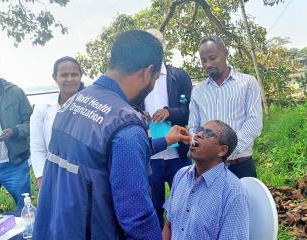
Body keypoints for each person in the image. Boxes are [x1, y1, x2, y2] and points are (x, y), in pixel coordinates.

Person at [33, 30, 190, 240]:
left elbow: (104, 157)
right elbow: (137, 219)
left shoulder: (75, 102)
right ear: (147, 73)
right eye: (154, 79)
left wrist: (166, 140)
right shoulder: (126, 125)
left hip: (55, 228)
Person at [136, 28, 193, 227]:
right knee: (153, 207)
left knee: (184, 204)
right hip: (150, 154)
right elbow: (125, 110)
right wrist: (139, 116)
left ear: (163, 47)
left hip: (178, 154)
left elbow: (191, 110)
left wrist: (170, 112)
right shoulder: (137, 79)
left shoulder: (178, 76)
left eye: (157, 45)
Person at [188, 36, 263, 178]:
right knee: (210, 201)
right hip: (207, 168)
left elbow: (254, 122)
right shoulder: (198, 90)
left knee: (242, 200)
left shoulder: (247, 82)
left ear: (225, 52)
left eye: (212, 57)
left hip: (240, 164)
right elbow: (193, 126)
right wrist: (202, 148)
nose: (208, 64)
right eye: (203, 60)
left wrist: (226, 151)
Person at [163, 120, 250, 240]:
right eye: (199, 130)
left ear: (222, 150)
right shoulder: (181, 175)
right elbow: (169, 225)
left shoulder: (233, 192)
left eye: (208, 133)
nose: (198, 134)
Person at [0, 54, 33, 216]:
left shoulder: (14, 92)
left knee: (25, 212)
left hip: (14, 164)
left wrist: (14, 131)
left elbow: (31, 122)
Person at [30, 56, 84, 188]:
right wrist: (41, 178)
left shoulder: (91, 106)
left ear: (81, 76)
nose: (70, 79)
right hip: (54, 176)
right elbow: (37, 147)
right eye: (64, 75)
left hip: (85, 176)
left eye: (74, 74)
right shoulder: (42, 107)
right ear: (55, 78)